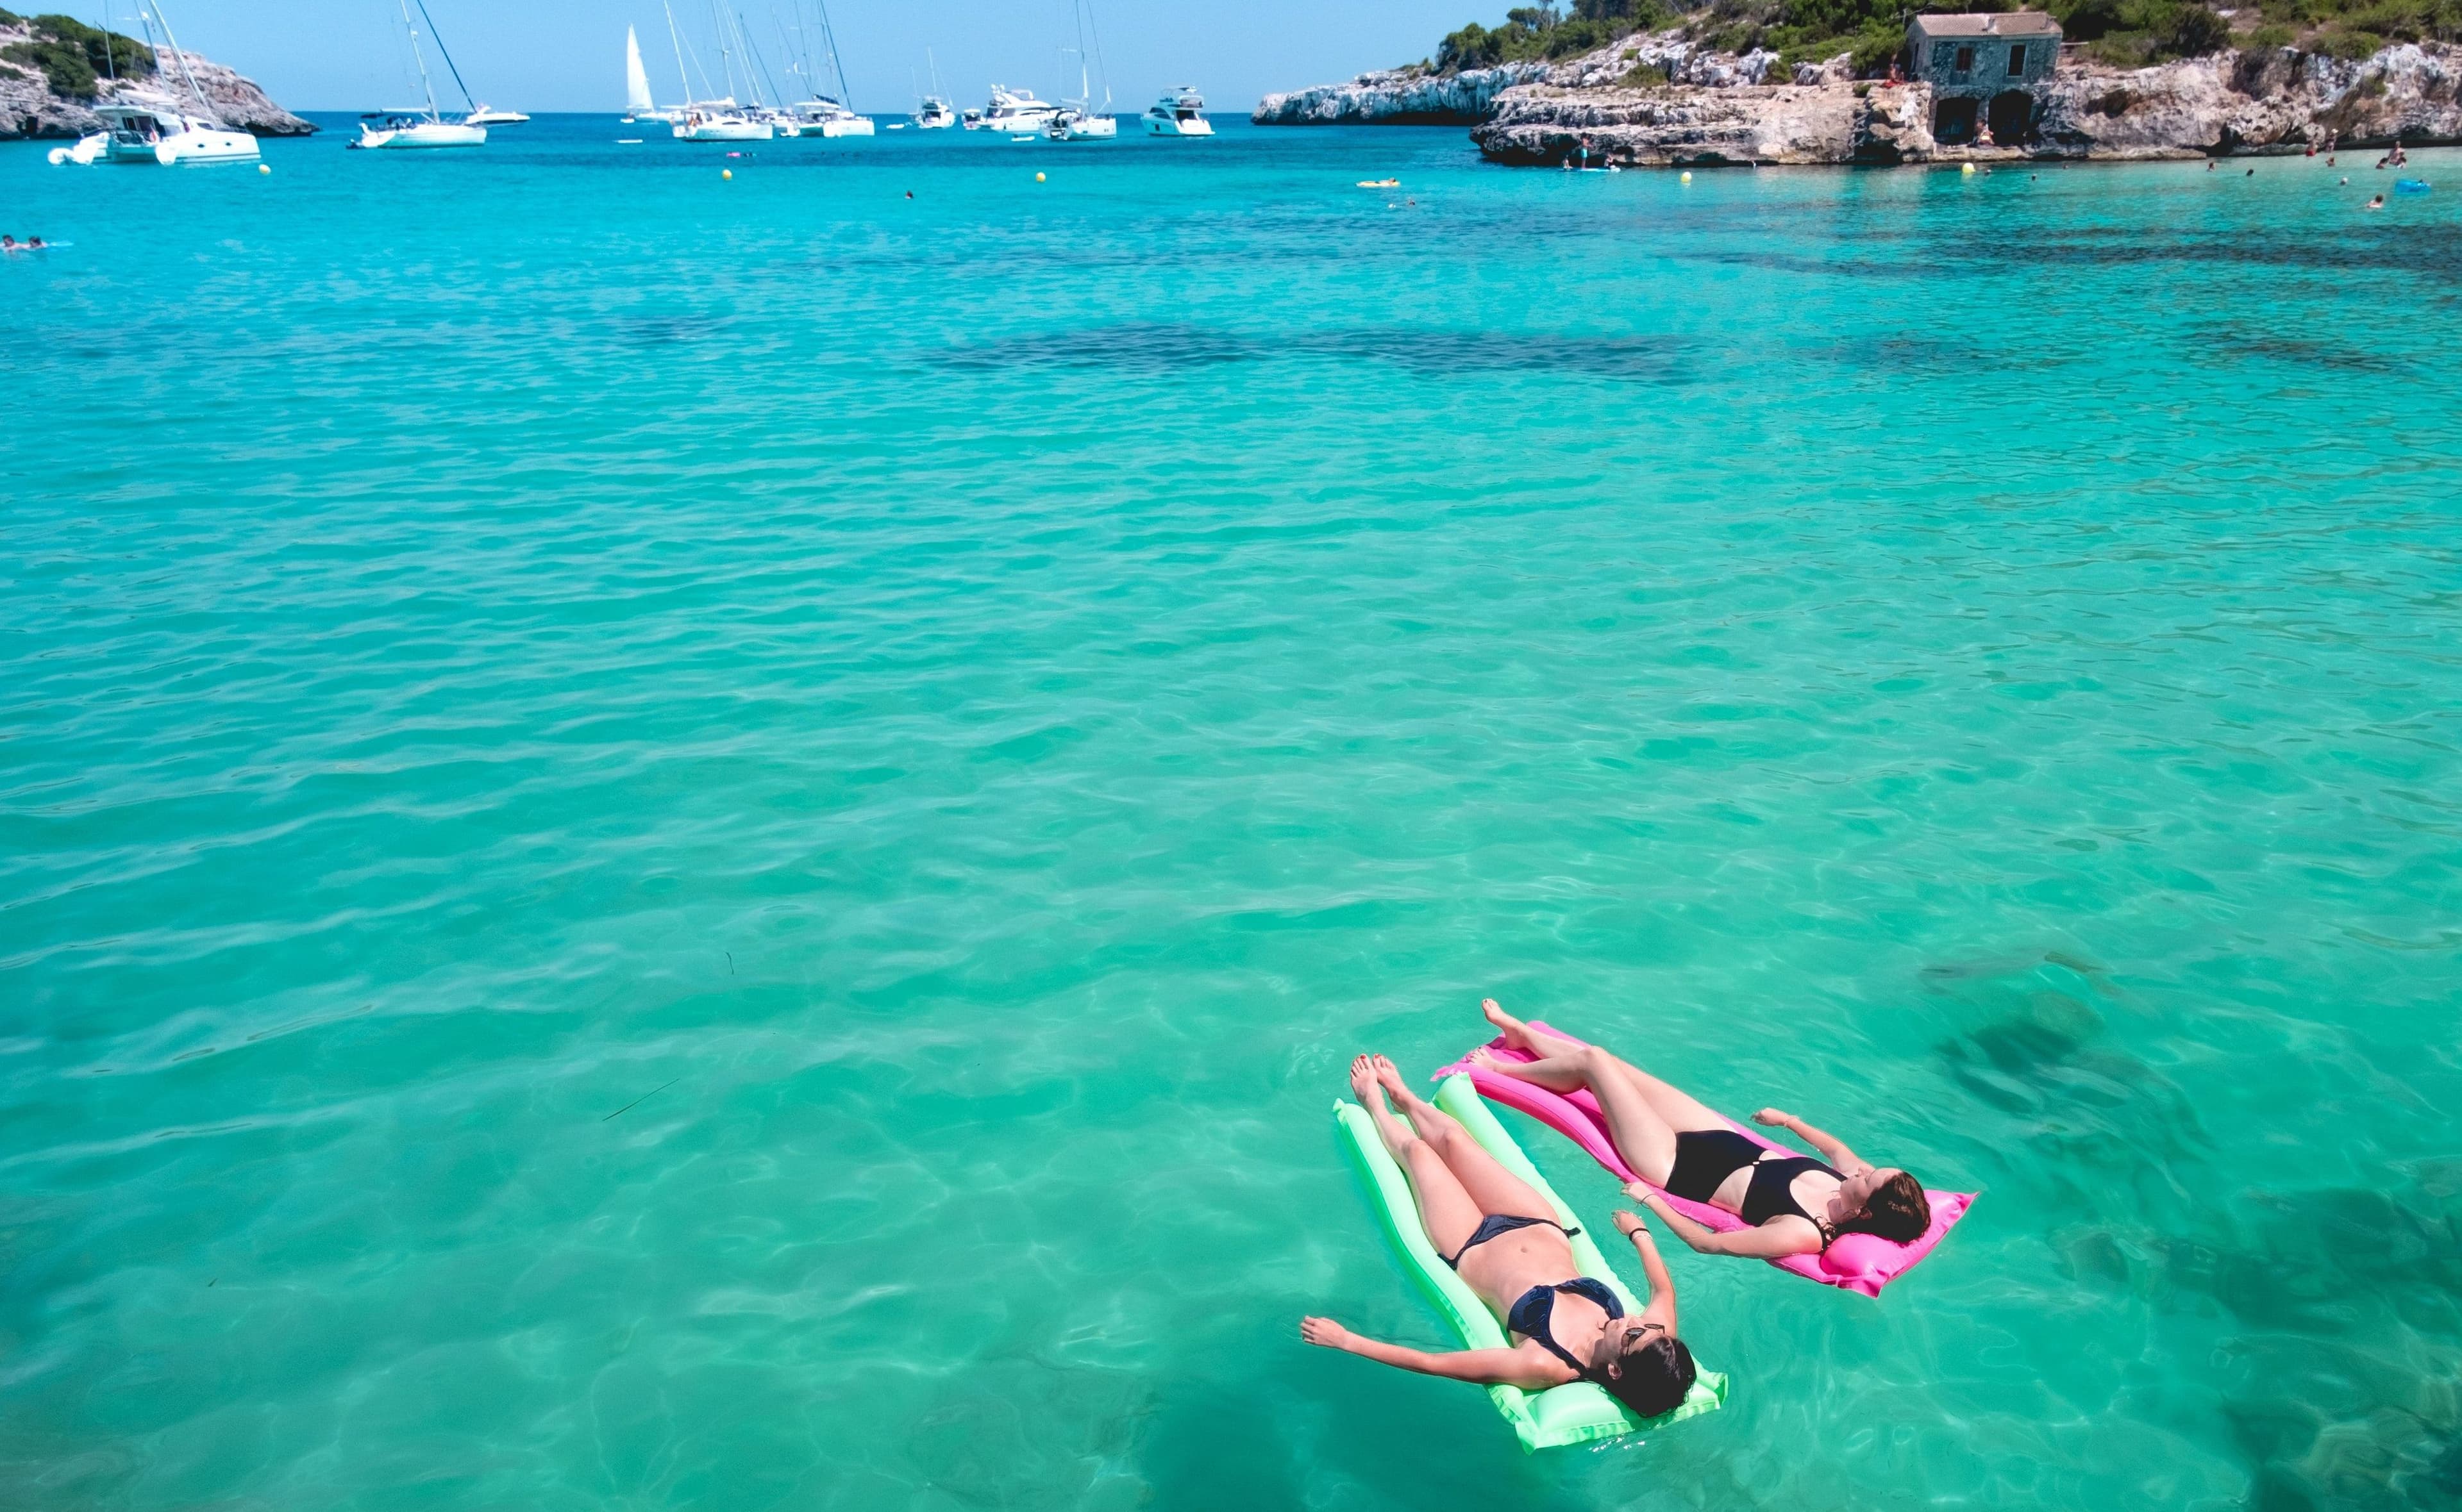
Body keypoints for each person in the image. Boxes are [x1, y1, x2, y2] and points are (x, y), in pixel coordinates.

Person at [1300, 1055, 1696, 1419]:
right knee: (1455, 1142)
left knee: (1420, 1155)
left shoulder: (1545, 1364)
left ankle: (1375, 1107)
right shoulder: (1655, 1343)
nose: (1635, 1321)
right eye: (1647, 1327)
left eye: (1632, 1335)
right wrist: (1639, 1233)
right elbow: (1665, 1293)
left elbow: (1434, 1364)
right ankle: (1407, 1100)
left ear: (1614, 1369)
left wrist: (1348, 1340)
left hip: (1471, 1242)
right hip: (1537, 1222)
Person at [1467, 1001, 1932, 1259]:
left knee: (1597, 1063)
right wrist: (1789, 1121)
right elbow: (1836, 1148)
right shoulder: (1851, 1181)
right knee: (1622, 1070)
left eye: (1869, 1178)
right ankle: (1522, 1037)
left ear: (1865, 1213)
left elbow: (1710, 1243)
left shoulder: (1804, 1232)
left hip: (1671, 1162)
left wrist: (1651, 1202)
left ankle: (1500, 1072)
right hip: (1718, 1136)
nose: (1862, 1169)